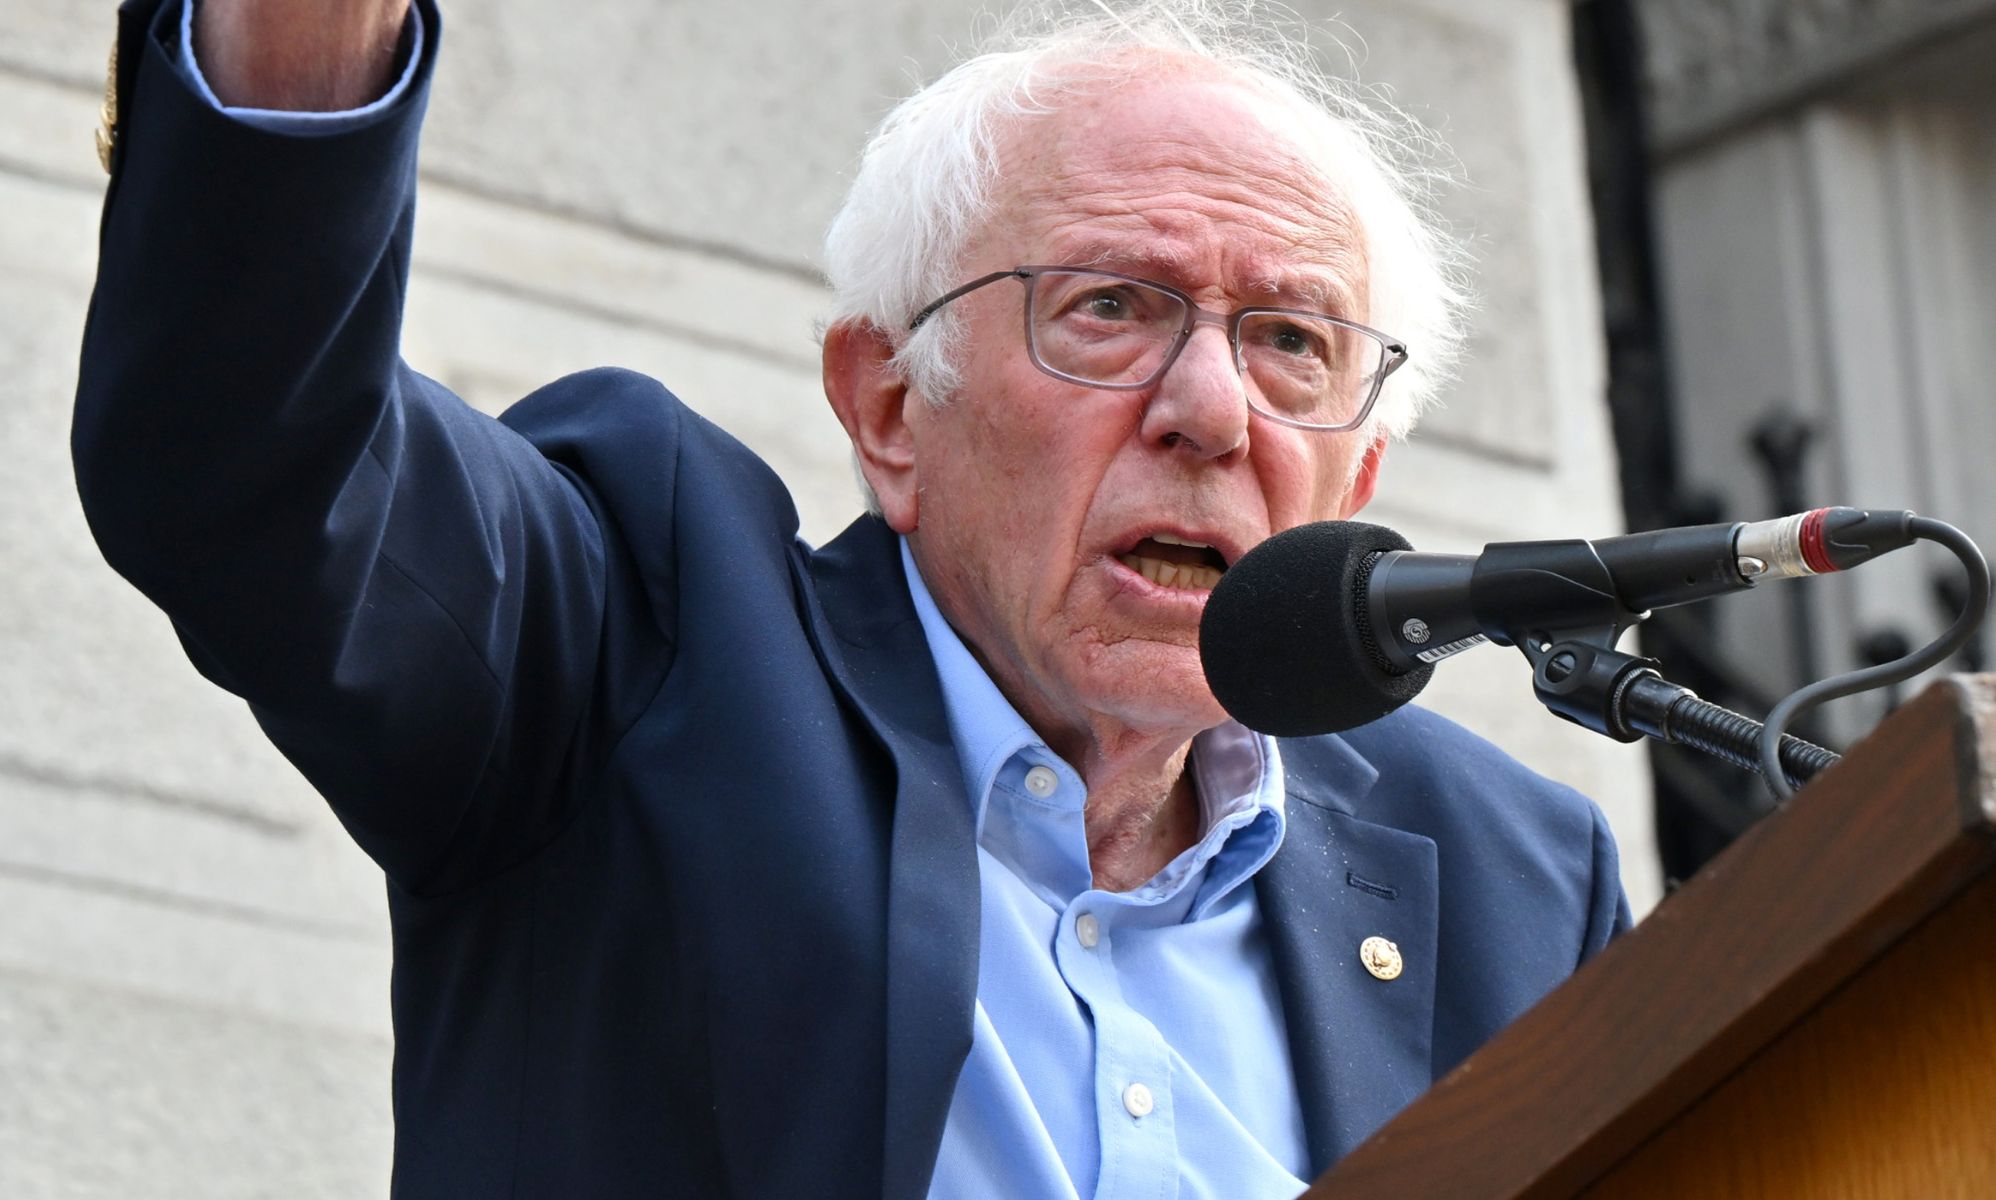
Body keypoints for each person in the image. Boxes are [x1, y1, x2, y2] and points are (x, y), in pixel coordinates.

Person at [73, 0, 1631, 1196]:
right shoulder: (641, 642)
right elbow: (258, 461)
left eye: (1293, 342)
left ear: (1351, 481)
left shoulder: (1508, 875)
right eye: (1111, 308)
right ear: (891, 408)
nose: (1213, 410)